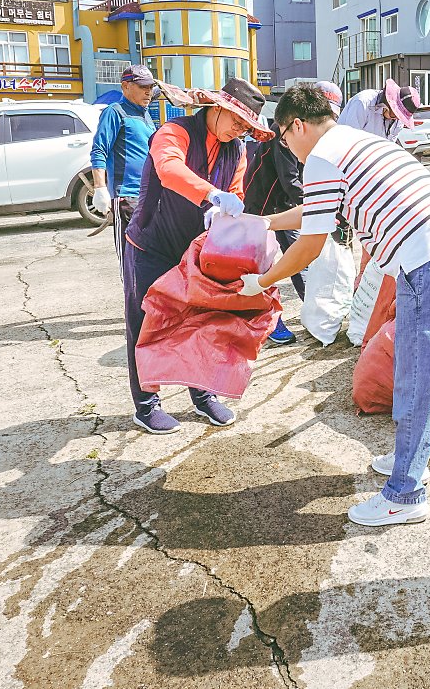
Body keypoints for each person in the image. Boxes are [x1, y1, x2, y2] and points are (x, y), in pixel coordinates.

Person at [240, 83, 430, 527]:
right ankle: (410, 461)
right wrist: (262, 221)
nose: (286, 147)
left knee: (416, 379)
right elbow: (316, 215)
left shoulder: (323, 157)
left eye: (284, 136)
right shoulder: (353, 141)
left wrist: (263, 281)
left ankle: (406, 495)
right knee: (412, 370)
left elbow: (309, 245)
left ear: (296, 125)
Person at [122, 78, 274, 435]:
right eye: (237, 120)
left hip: (197, 251)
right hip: (152, 244)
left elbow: (235, 193)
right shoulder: (175, 131)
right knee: (145, 321)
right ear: (217, 108)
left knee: (203, 320)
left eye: (247, 126)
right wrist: (212, 195)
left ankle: (203, 396)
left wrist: (224, 211)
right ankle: (145, 405)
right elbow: (169, 169)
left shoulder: (236, 150)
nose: (240, 130)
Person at [243, 80, 343, 345]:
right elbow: (291, 181)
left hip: (289, 204)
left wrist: (322, 207)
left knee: (301, 264)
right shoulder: (284, 135)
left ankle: (315, 314)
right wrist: (321, 207)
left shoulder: (320, 143)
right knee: (264, 265)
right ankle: (273, 321)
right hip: (264, 203)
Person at [89, 65, 157, 259]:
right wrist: (100, 188)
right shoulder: (115, 112)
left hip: (148, 195)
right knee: (130, 258)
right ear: (126, 86)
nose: (148, 92)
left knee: (148, 257)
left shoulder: (145, 114)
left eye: (151, 87)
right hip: (127, 197)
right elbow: (99, 149)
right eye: (143, 87)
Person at [338, 78, 421, 140]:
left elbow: (389, 145)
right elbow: (349, 138)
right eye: (395, 115)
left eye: (400, 118)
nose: (396, 119)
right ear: (387, 104)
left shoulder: (398, 121)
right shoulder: (362, 102)